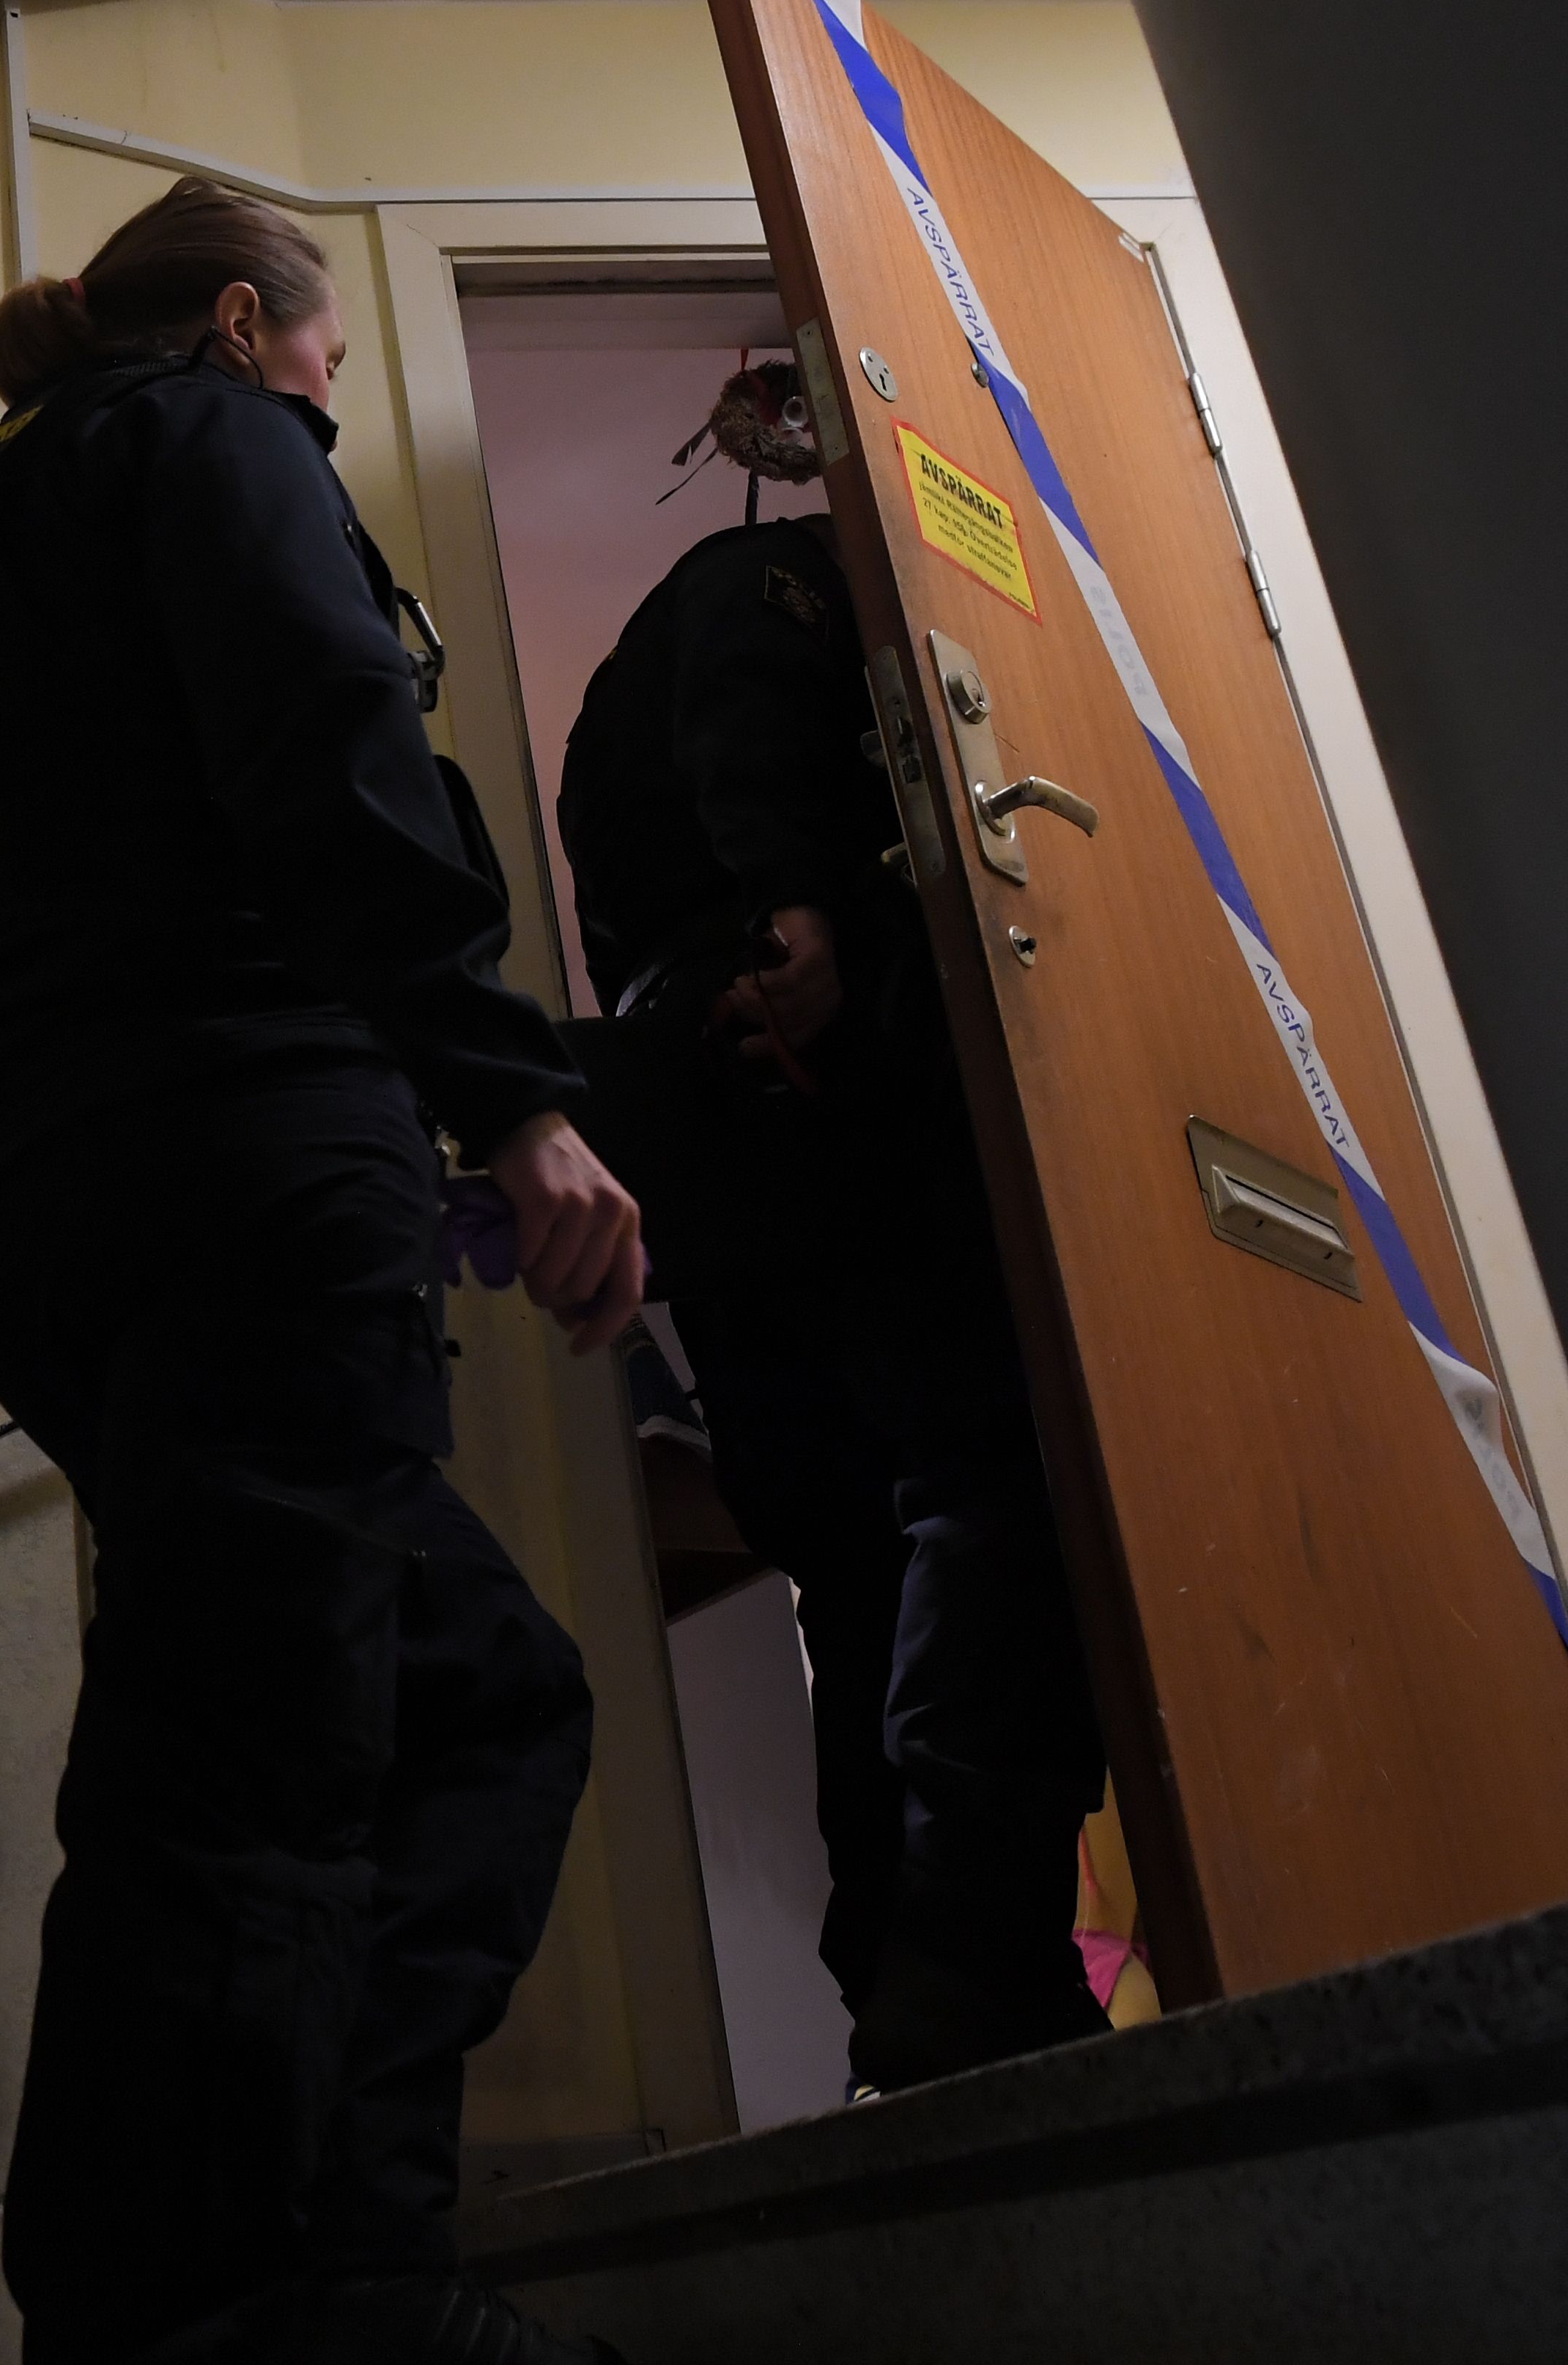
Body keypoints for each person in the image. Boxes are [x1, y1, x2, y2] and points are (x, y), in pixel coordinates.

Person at [0, 177, 645, 2365]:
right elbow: (329, 759)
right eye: (326, 364)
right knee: (263, 1757)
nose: (325, 401)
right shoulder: (209, 446)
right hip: (243, 1166)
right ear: (235, 323)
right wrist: (514, 1099)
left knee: (467, 1699)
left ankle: (343, 2259)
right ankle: (205, 2313)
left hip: (36, 1206)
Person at [554, 402, 1109, 2095]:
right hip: (810, 1089)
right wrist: (799, 901)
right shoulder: (780, 577)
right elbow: (754, 729)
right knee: (995, 1488)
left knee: (860, 1566)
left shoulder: (645, 687)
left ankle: (916, 1970)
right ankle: (971, 1955)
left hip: (712, 1130)